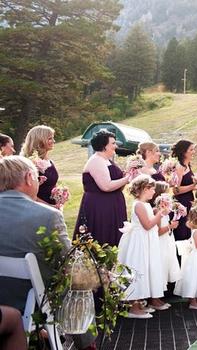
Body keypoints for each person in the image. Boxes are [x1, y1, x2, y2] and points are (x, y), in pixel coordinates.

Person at [0, 156, 94, 349]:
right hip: (31, 301)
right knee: (80, 280)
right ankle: (87, 345)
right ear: (28, 178)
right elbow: (69, 261)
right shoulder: (48, 215)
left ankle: (41, 334)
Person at [117, 175, 167, 318]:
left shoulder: (145, 205)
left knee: (144, 268)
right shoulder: (138, 204)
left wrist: (157, 212)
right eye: (152, 189)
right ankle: (133, 306)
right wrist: (160, 214)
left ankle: (138, 303)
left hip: (146, 241)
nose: (153, 192)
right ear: (145, 189)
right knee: (138, 267)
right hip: (139, 242)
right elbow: (147, 225)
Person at [74, 130, 129, 246]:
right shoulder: (96, 161)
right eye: (113, 143)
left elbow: (116, 184)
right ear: (104, 146)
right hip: (99, 206)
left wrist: (127, 175)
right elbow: (106, 186)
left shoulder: (107, 160)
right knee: (102, 236)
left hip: (112, 205)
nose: (116, 146)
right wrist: (127, 179)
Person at [151, 181, 180, 297]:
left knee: (166, 266)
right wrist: (170, 226)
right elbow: (157, 232)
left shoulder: (165, 212)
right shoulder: (156, 211)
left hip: (167, 242)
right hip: (160, 244)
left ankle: (161, 296)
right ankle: (155, 298)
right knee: (160, 268)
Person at [19, 125, 59, 206]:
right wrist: (49, 206)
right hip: (37, 208)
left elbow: (52, 184)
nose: (53, 141)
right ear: (40, 140)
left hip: (53, 207)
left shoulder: (49, 161)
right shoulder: (29, 163)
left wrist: (59, 195)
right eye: (50, 138)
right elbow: (26, 193)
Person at [171, 139, 197, 241]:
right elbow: (175, 190)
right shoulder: (180, 167)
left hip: (189, 200)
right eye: (191, 149)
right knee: (182, 233)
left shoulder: (187, 165)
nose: (193, 152)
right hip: (181, 202)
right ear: (183, 152)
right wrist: (193, 185)